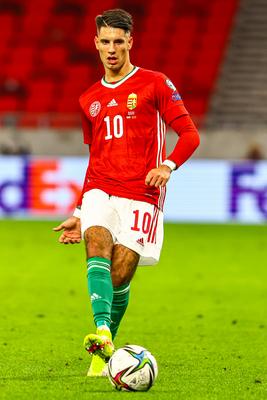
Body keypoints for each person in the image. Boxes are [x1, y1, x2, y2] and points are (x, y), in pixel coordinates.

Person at [53, 8, 200, 377]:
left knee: (119, 276)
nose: (112, 48)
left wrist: (167, 166)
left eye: (119, 41)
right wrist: (81, 210)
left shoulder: (155, 84)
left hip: (143, 195)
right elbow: (95, 156)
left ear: (130, 42)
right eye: (105, 42)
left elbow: (190, 135)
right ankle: (102, 334)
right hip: (101, 188)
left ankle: (105, 348)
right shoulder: (89, 99)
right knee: (96, 242)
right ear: (96, 44)